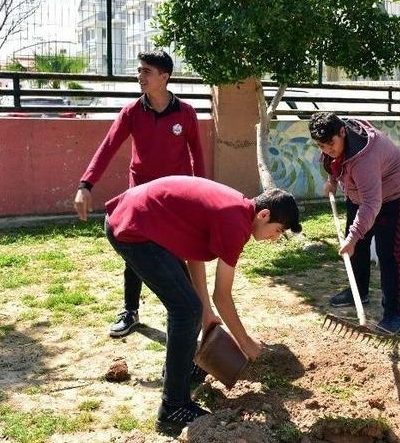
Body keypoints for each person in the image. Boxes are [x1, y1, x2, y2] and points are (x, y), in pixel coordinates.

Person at [104, 176, 302, 435]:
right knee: (186, 311)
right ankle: (173, 407)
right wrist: (245, 343)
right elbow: (223, 296)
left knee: (190, 308)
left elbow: (193, 253)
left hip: (136, 221)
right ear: (264, 215)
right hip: (133, 230)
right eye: (278, 231)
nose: (275, 238)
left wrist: (207, 313)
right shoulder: (236, 224)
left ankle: (182, 369)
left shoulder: (236, 210)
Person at [74, 50, 205, 338]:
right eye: (139, 70)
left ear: (164, 77)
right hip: (141, 197)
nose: (140, 76)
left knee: (174, 251)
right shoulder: (132, 112)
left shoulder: (185, 113)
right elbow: (107, 148)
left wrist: (202, 196)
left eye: (147, 71)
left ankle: (188, 313)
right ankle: (130, 311)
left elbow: (197, 155)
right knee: (134, 251)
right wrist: (86, 185)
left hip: (175, 198)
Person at [309, 112, 400, 335]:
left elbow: (371, 204)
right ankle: (358, 292)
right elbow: (331, 162)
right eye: (321, 146)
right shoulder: (337, 138)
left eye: (331, 144)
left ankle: (394, 315)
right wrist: (332, 181)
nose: (328, 149)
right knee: (357, 246)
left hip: (396, 194)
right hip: (361, 192)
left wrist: (352, 237)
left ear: (342, 132)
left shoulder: (363, 158)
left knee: (388, 253)